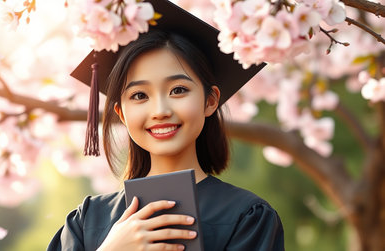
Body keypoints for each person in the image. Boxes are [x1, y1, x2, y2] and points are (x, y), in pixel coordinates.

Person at [48, 0, 284, 250]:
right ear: (121, 113)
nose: (160, 111)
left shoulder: (247, 217)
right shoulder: (87, 221)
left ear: (210, 101)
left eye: (178, 90)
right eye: (139, 95)